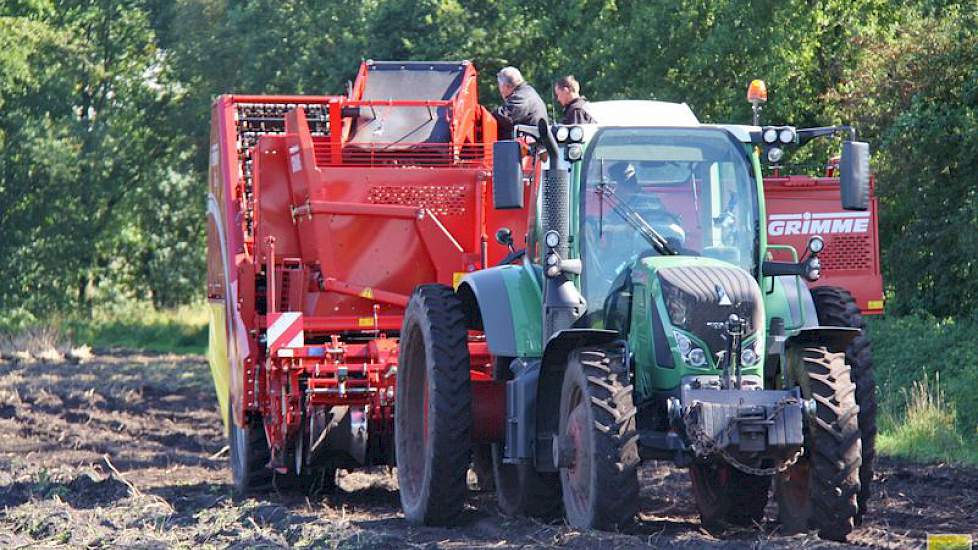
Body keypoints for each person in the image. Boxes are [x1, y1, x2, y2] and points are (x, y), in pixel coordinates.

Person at [493, 66, 548, 138]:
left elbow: (505, 118)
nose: (500, 90)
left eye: (499, 85)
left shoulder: (521, 97)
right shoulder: (527, 92)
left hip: (530, 146)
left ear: (506, 86)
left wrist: (485, 117)